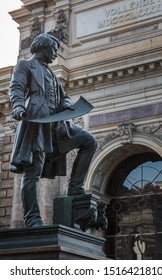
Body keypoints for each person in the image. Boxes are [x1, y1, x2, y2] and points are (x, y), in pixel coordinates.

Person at [8, 33, 97, 228]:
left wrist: (67, 106)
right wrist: (18, 106)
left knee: (89, 141)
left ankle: (74, 188)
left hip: (56, 124)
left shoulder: (51, 75)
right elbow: (16, 88)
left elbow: (63, 96)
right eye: (54, 49)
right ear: (43, 47)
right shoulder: (25, 66)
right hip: (36, 122)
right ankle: (32, 218)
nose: (55, 54)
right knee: (33, 171)